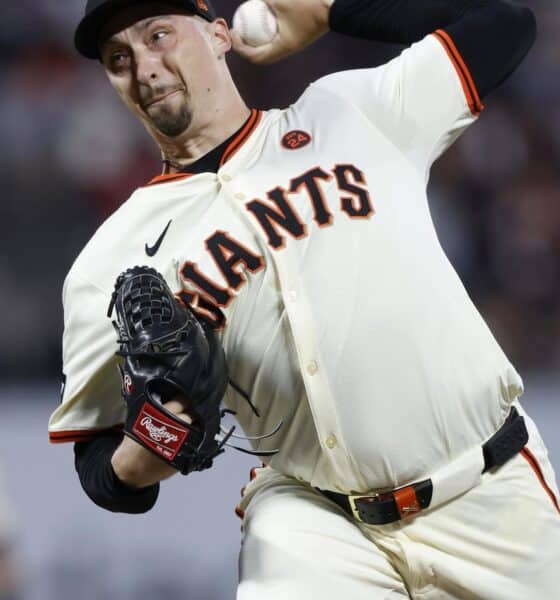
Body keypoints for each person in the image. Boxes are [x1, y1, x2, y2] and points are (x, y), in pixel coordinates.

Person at [49, 0, 560, 597]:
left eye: (159, 35)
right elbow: (99, 468)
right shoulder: (107, 263)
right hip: (316, 522)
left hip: (489, 490)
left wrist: (330, 11)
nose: (145, 67)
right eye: (119, 59)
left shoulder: (350, 111)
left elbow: (504, 22)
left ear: (219, 35)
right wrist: (151, 446)